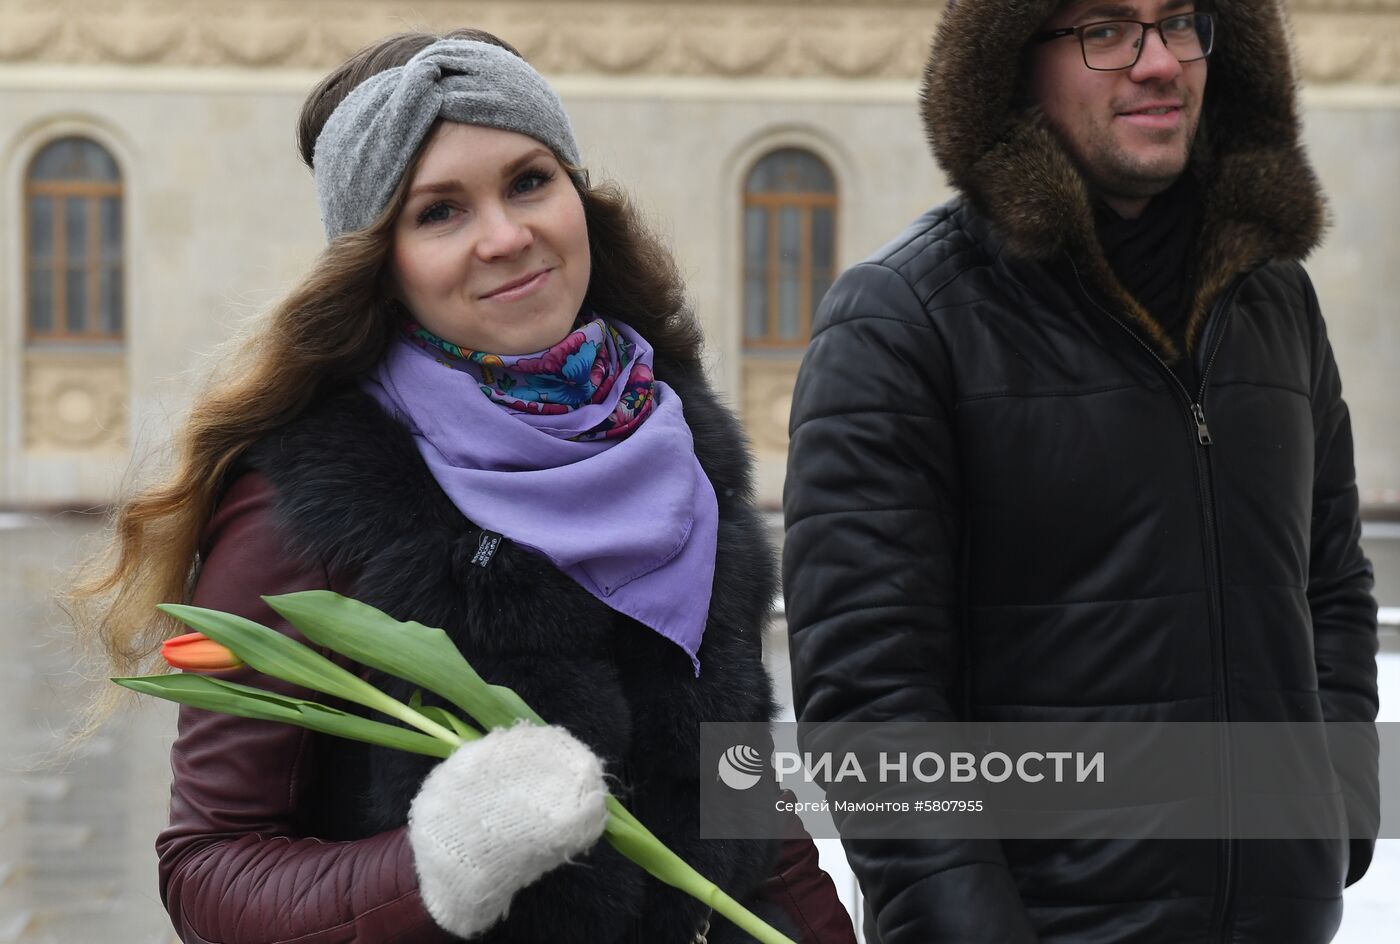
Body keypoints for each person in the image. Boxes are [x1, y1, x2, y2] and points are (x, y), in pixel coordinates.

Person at [72, 29, 856, 944]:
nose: (506, 236)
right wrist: (432, 864)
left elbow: (746, 799)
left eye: (529, 181)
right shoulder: (313, 501)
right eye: (438, 212)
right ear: (382, 262)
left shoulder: (682, 445)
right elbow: (209, 871)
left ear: (578, 193)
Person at [783, 1, 1380, 942]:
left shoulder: (1275, 301)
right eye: (1106, 28)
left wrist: (1334, 808)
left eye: (1180, 21)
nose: (1156, 63)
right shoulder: (905, 321)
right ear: (1014, 65)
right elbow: (871, 699)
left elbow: (1333, 583)